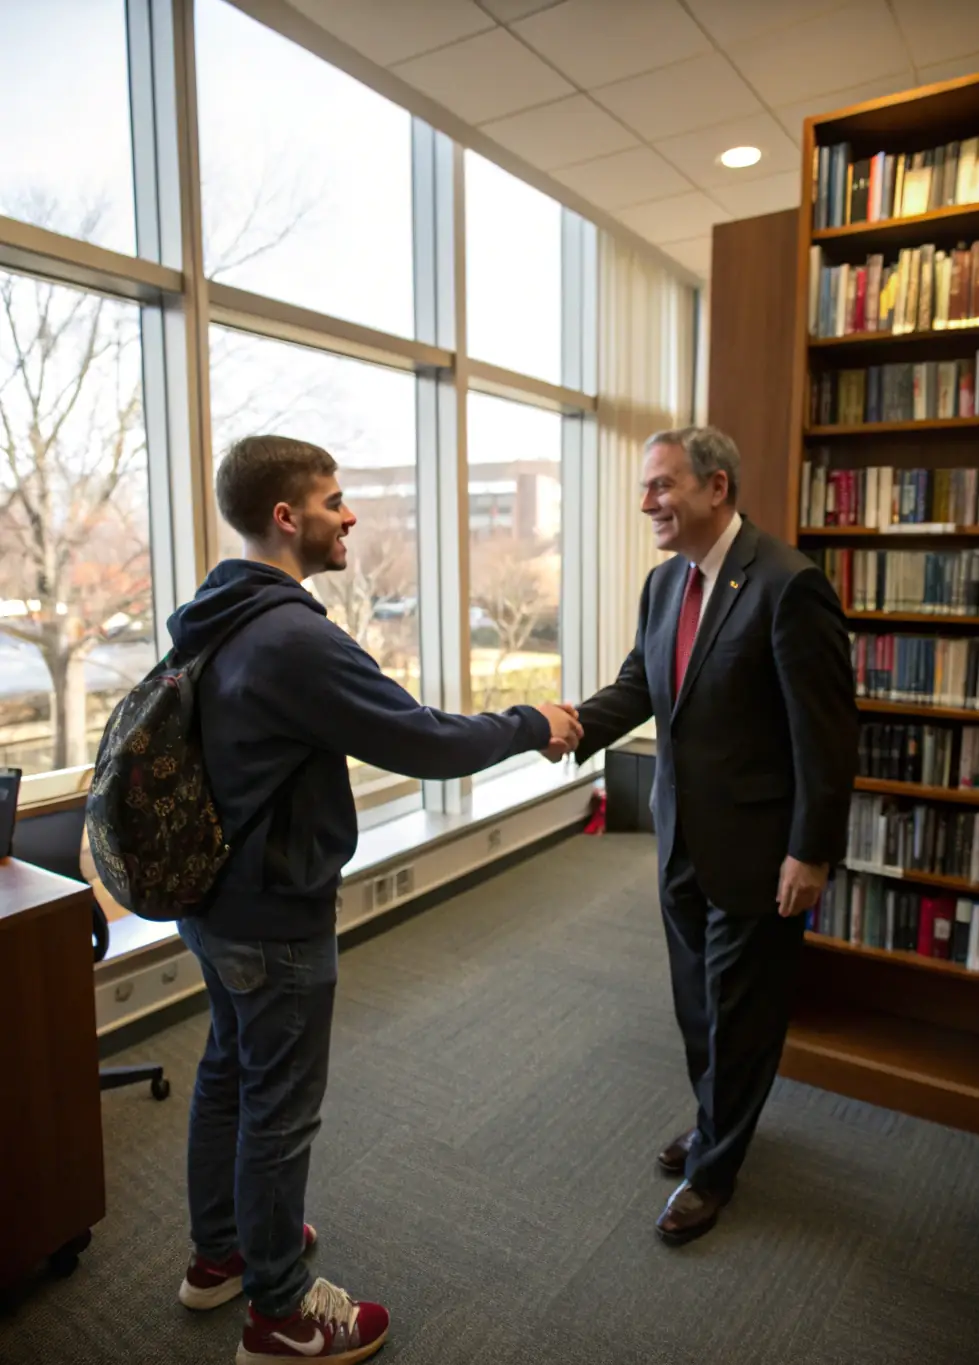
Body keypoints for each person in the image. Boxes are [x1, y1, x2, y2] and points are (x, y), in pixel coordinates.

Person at [170, 434, 583, 1362]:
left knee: (230, 1076)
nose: (350, 514)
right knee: (279, 1106)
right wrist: (532, 722)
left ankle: (222, 1252)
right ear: (287, 517)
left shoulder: (216, 610)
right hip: (273, 915)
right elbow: (424, 738)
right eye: (334, 498)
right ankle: (279, 1311)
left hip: (214, 899)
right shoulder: (291, 635)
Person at [562, 425, 857, 1246]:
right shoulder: (664, 586)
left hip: (762, 850)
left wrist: (812, 849)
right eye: (645, 487)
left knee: (742, 1010)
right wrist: (564, 725)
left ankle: (715, 1168)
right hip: (679, 838)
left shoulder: (788, 585)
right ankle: (715, 1120)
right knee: (698, 1004)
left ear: (716, 487)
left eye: (662, 485)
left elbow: (825, 737)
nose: (646, 501)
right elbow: (638, 689)